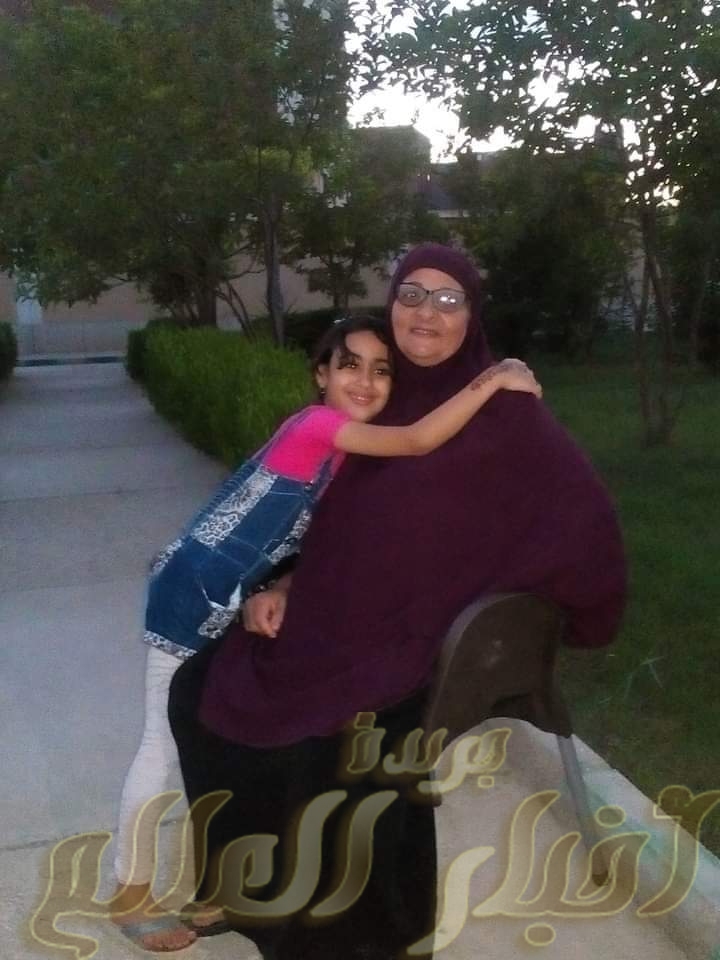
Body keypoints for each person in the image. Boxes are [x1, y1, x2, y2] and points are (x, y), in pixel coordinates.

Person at [167, 244, 627, 959]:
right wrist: (280, 584)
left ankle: (350, 942)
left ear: (472, 316)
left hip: (411, 640)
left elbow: (585, 518)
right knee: (200, 687)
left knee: (325, 745)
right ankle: (242, 890)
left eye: (449, 299)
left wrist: (547, 614)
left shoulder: (508, 411)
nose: (427, 313)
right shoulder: (383, 400)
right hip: (326, 619)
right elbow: (332, 526)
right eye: (413, 294)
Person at [110, 313, 541, 952]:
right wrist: (494, 379)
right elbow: (418, 440)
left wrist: (282, 589)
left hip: (233, 593)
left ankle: (220, 887)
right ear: (320, 374)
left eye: (381, 370)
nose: (364, 381)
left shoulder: (348, 454)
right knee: (161, 742)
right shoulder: (315, 427)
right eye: (349, 365)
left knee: (214, 730)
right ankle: (129, 892)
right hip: (192, 590)